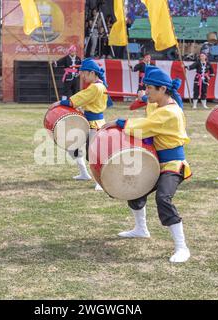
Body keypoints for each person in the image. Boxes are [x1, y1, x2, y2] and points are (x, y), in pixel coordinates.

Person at [103, 65, 192, 263]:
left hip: (172, 163)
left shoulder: (170, 112)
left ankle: (182, 247)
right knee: (134, 189)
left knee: (163, 198)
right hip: (154, 160)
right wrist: (143, 99)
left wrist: (119, 122)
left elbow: (145, 126)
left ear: (162, 90)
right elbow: (148, 106)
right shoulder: (158, 104)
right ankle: (141, 229)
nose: (146, 91)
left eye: (150, 88)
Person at [49, 58, 111, 191]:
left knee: (94, 154)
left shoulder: (97, 87)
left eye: (84, 73)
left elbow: (79, 98)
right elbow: (84, 99)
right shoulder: (96, 85)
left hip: (95, 124)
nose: (82, 76)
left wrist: (60, 103)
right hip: (85, 120)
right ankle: (84, 173)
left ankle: (100, 182)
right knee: (72, 145)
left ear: (92, 73)